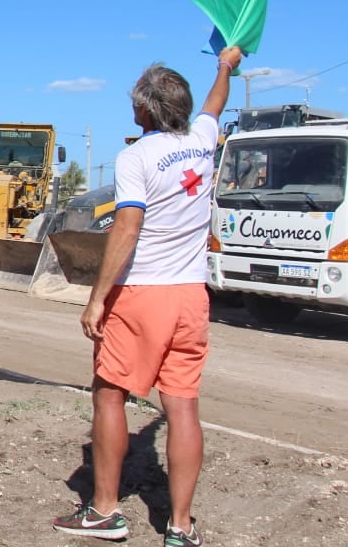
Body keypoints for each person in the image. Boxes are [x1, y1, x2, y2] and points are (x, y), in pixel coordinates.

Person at [52, 47, 242, 546]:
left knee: (109, 393)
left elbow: (127, 228)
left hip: (143, 293)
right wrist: (226, 65)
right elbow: (215, 105)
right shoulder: (202, 141)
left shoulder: (136, 157)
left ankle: (106, 511)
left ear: (144, 110)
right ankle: (180, 526)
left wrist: (97, 298)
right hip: (190, 294)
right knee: (181, 407)